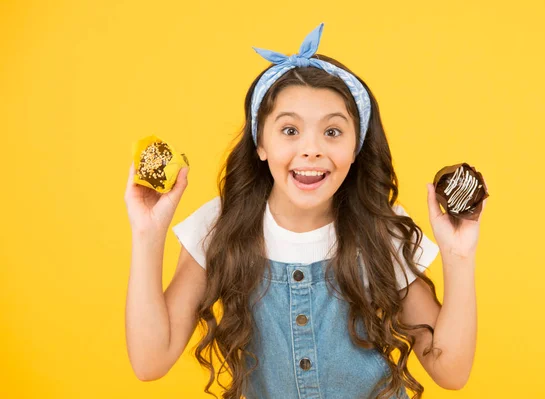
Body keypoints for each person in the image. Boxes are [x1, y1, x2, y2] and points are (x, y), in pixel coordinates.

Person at [124, 22, 486, 399]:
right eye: (289, 130)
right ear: (260, 143)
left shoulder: (382, 229)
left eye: (332, 132)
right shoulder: (219, 225)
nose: (311, 149)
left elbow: (451, 371)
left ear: (356, 148)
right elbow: (150, 362)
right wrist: (147, 234)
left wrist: (459, 255)